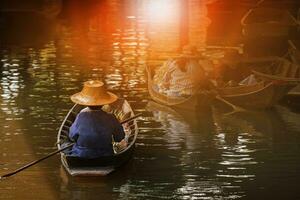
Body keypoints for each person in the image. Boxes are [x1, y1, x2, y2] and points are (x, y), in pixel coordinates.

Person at [68, 80, 126, 159]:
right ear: (103, 103)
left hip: (82, 156)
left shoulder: (80, 117)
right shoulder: (111, 117)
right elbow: (119, 137)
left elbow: (72, 136)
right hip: (106, 156)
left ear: (87, 103)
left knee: (65, 145)